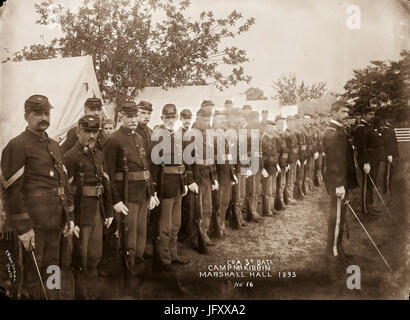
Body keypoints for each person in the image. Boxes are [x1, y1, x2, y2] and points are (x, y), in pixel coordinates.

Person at [1, 95, 74, 299]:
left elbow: (63, 183)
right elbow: (11, 192)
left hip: (55, 222)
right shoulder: (17, 146)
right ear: (26, 116)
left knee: (54, 268)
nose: (44, 117)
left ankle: (54, 296)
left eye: (47, 113)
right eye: (38, 113)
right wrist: (24, 228)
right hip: (33, 226)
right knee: (32, 275)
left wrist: (69, 217)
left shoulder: (54, 145)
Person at [103, 101, 158, 277]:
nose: (134, 120)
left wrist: (151, 194)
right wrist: (116, 201)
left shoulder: (139, 138)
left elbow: (145, 168)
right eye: (130, 116)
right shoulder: (114, 140)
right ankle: (128, 270)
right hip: (126, 196)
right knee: (129, 236)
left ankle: (139, 266)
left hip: (142, 194)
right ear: (121, 117)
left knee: (142, 233)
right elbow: (107, 175)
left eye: (136, 116)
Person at [63, 115, 114, 297]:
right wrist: (70, 219)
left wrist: (108, 212)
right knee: (80, 258)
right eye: (87, 131)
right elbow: (65, 191)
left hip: (97, 212)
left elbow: (106, 184)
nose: (91, 135)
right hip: (80, 215)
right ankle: (81, 294)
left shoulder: (99, 155)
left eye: (95, 131)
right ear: (78, 132)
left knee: (95, 256)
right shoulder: (69, 157)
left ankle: (92, 292)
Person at [149, 104, 190, 271]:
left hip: (178, 184)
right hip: (165, 185)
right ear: (162, 118)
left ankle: (173, 254)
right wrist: (154, 190)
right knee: (165, 226)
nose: (170, 120)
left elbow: (182, 162)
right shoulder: (157, 137)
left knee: (176, 224)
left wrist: (184, 183)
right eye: (167, 117)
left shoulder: (177, 136)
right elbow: (152, 166)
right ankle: (164, 259)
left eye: (173, 117)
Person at [323, 100, 358, 262]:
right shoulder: (332, 131)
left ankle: (338, 248)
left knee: (341, 217)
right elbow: (333, 161)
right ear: (334, 112)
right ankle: (333, 252)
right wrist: (338, 184)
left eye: (347, 112)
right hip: (339, 182)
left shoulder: (339, 130)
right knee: (337, 217)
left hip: (343, 181)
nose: (347, 115)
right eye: (343, 112)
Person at [354, 106, 380, 216]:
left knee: (371, 183)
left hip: (374, 158)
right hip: (368, 158)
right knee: (366, 183)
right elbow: (361, 147)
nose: (372, 116)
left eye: (373, 114)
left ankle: (371, 206)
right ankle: (365, 208)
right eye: (370, 114)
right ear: (363, 114)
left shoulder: (368, 126)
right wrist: (365, 162)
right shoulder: (361, 128)